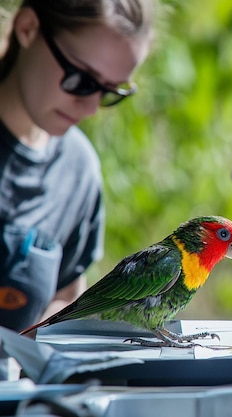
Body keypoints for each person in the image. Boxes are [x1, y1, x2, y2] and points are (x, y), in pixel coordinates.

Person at [0, 0, 155, 378]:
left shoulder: (77, 170)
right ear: (27, 28)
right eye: (81, 79)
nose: (89, 108)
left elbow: (65, 299)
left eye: (109, 92)